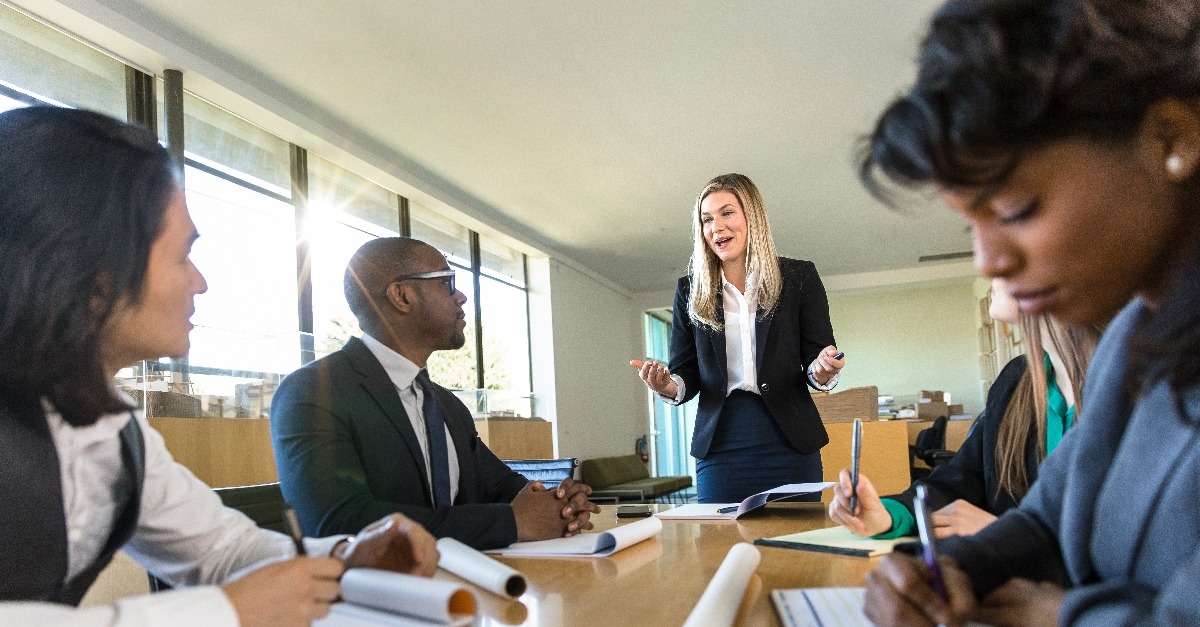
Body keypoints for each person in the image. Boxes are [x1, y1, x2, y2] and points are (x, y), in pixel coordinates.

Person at [0, 106, 439, 626]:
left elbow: (221, 552)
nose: (200, 282)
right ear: (95, 267)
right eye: (183, 255)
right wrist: (223, 613)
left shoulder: (117, 430)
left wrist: (344, 558)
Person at [857, 0, 1200, 624]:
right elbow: (1048, 517)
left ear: (1170, 139)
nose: (989, 263)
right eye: (971, 225)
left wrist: (1059, 615)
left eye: (1015, 209)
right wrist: (955, 569)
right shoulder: (1133, 335)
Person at [271, 237, 600, 550]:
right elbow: (335, 525)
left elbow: (499, 486)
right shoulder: (313, 392)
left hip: (471, 591)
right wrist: (512, 522)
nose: (462, 298)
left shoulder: (446, 405)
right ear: (402, 296)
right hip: (376, 602)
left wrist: (559, 502)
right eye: (447, 282)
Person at [829, 280, 1100, 539]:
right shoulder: (1015, 380)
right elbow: (962, 480)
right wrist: (891, 514)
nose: (988, 266)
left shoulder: (1129, 387)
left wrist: (1010, 536)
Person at [632, 173, 845, 503]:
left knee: (796, 548)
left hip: (790, 441)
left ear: (752, 217)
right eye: (707, 219)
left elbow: (818, 358)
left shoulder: (799, 277)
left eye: (727, 213)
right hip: (721, 445)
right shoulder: (688, 291)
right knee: (721, 546)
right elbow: (684, 373)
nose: (716, 227)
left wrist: (823, 370)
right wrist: (666, 386)